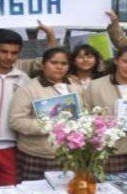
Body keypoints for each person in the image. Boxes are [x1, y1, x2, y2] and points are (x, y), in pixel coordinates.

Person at [9, 48, 82, 180]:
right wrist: (50, 125)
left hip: (70, 154)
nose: (59, 67)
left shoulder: (75, 86)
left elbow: (83, 113)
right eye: (54, 63)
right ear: (43, 64)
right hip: (39, 155)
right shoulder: (29, 88)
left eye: (64, 64)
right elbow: (16, 121)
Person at [0, 30, 30, 186]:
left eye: (14, 53)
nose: (9, 57)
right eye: (4, 51)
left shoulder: (24, 79)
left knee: (8, 193)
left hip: (11, 146)